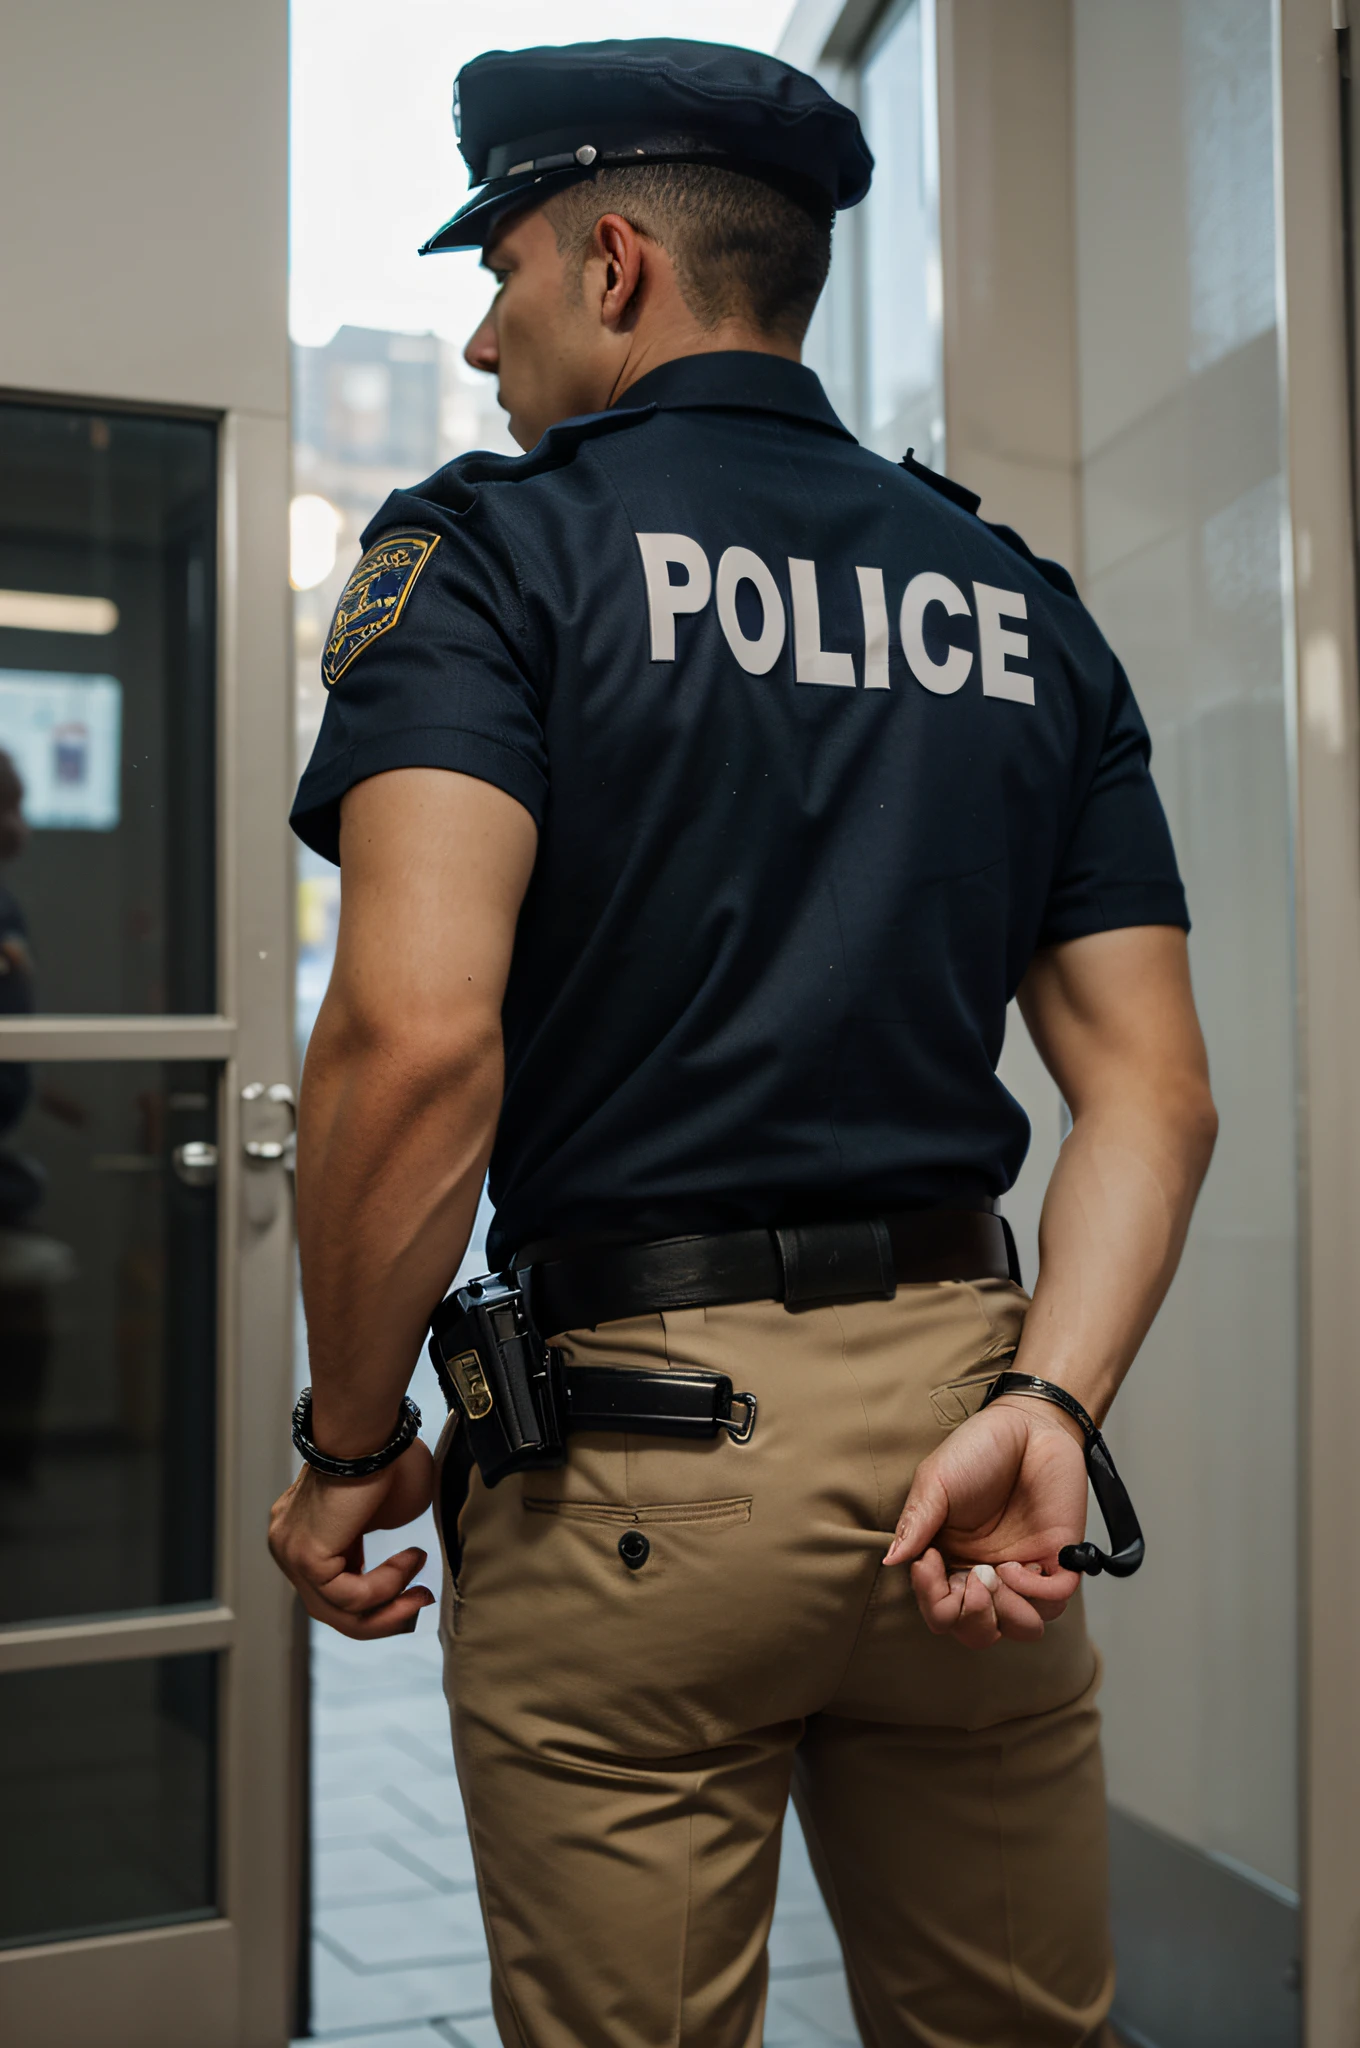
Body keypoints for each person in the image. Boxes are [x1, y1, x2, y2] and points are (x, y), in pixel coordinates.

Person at [269, 37, 1217, 2048]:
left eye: (503, 272)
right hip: (964, 1444)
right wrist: (1044, 1410)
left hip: (636, 1458)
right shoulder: (1012, 600)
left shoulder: (492, 561)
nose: (475, 339)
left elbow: (411, 1047)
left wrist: (351, 1442)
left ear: (615, 263)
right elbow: (1151, 1088)